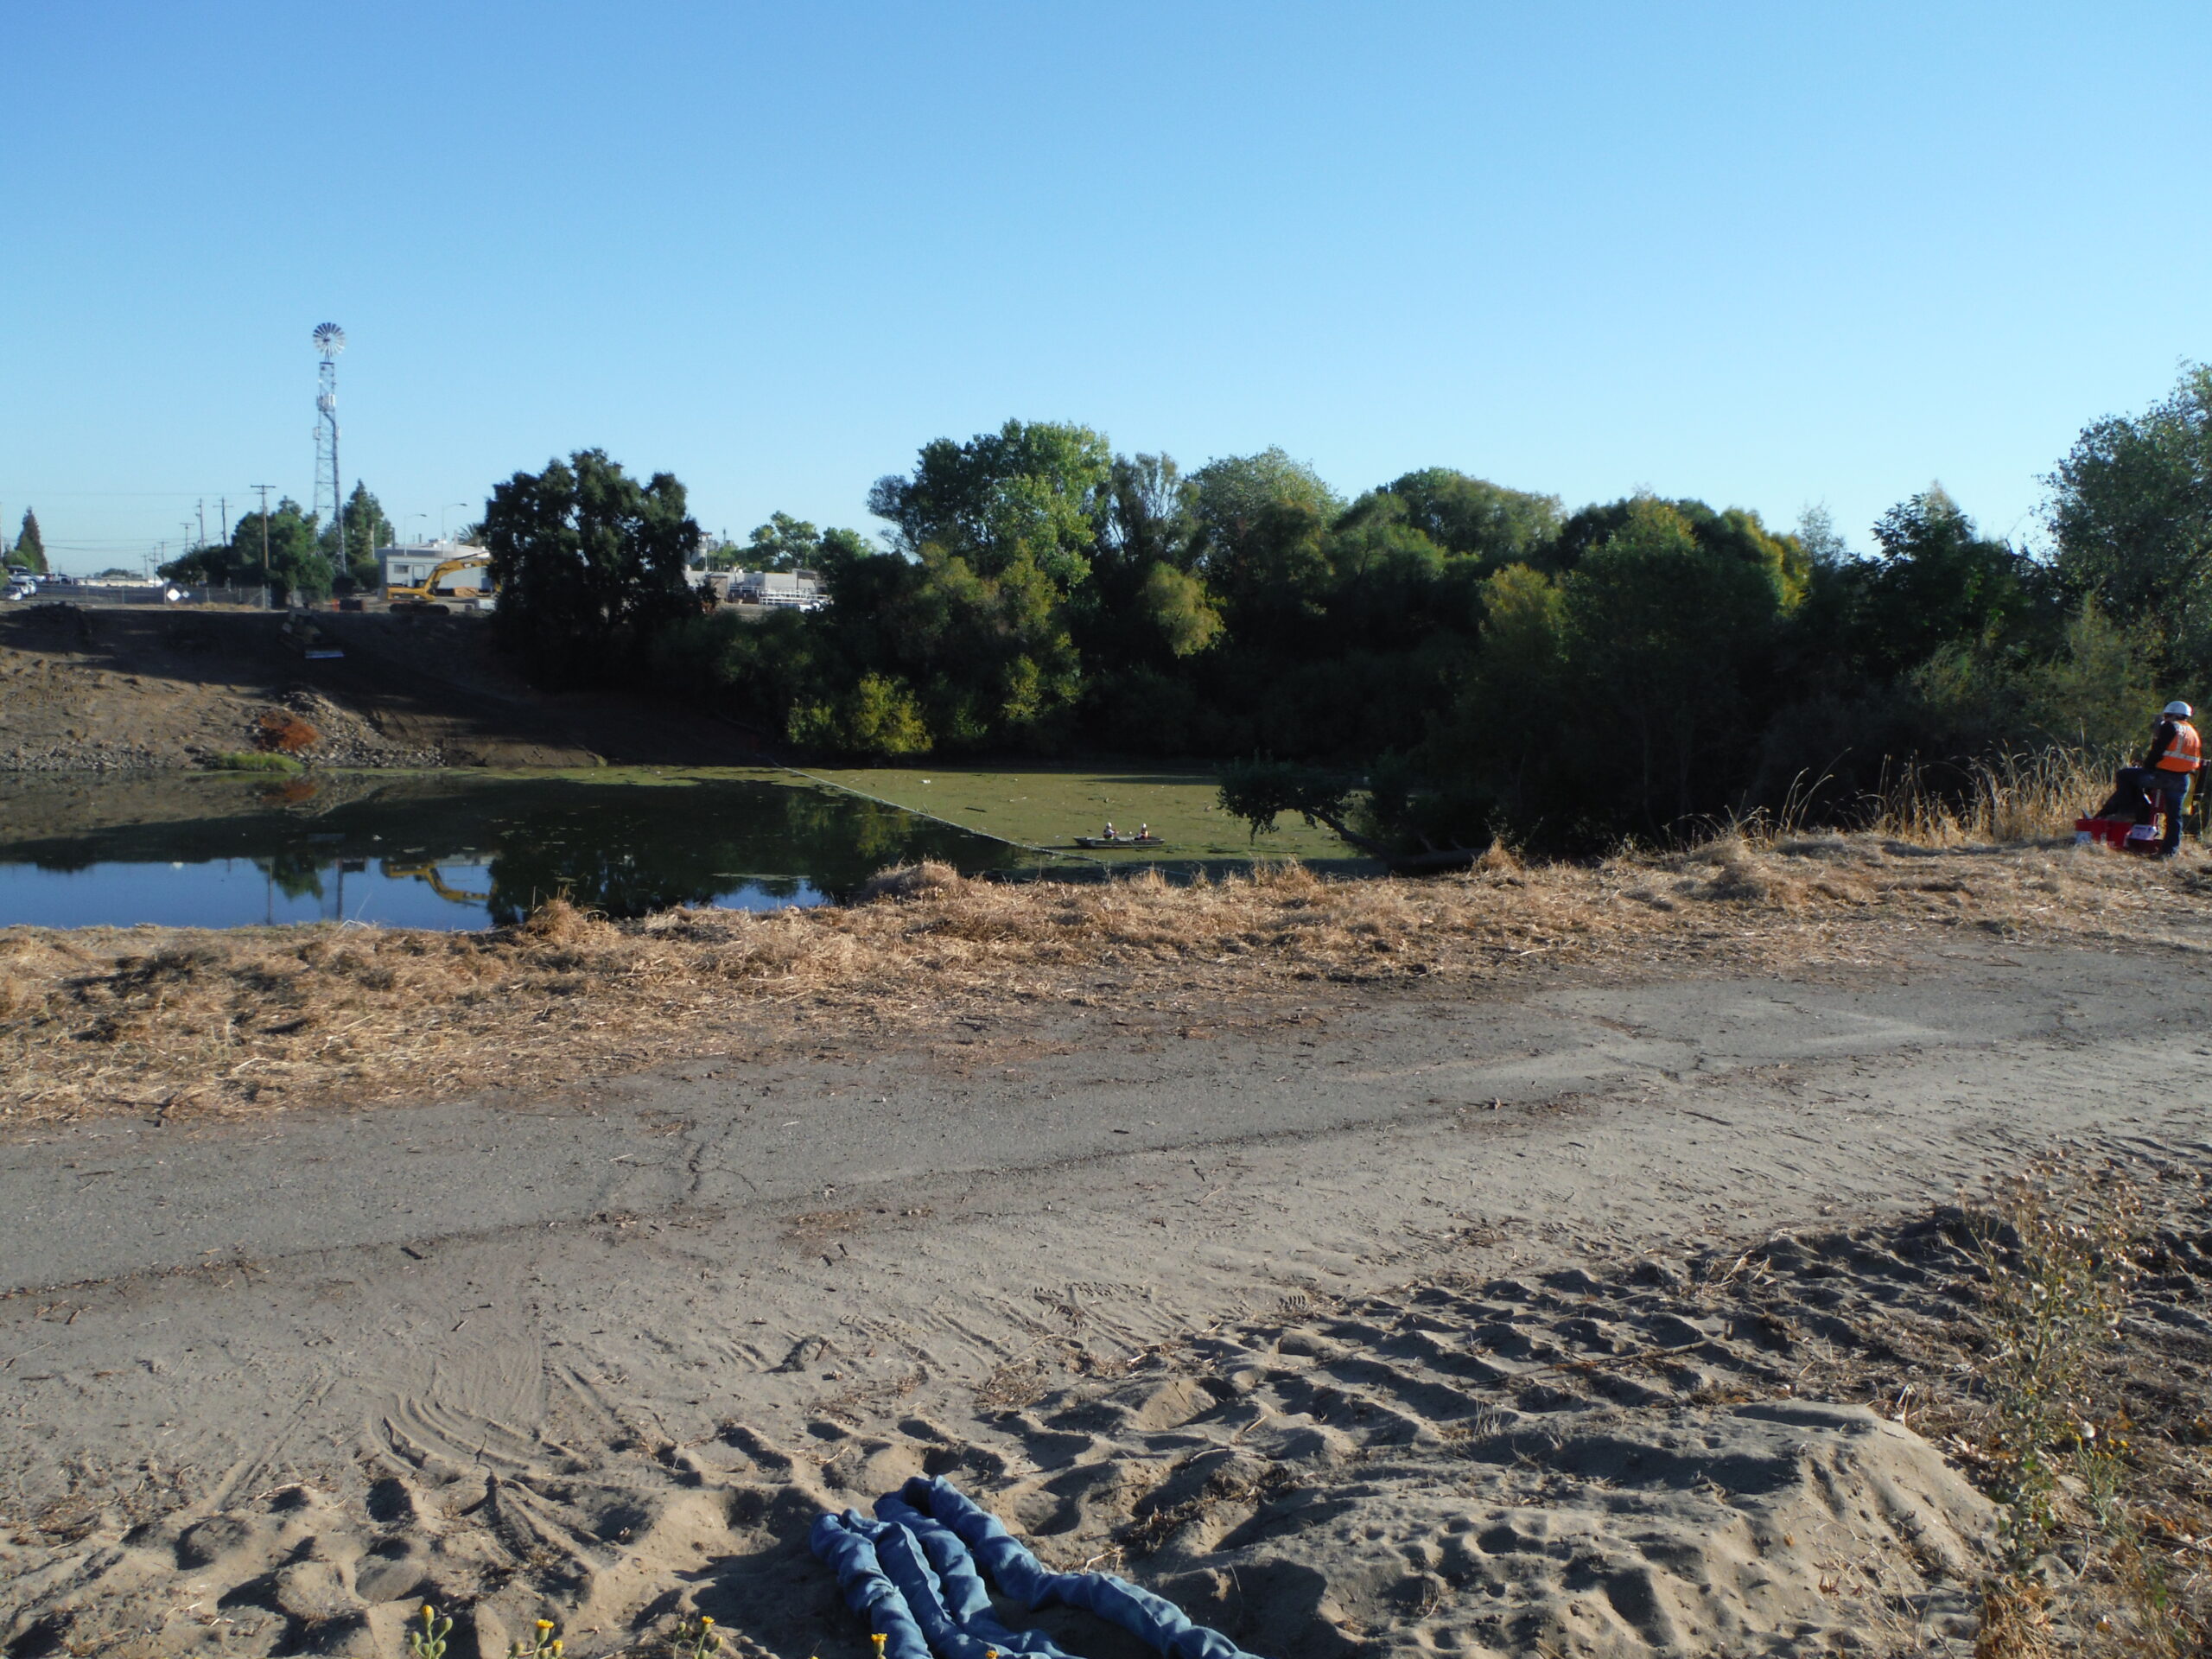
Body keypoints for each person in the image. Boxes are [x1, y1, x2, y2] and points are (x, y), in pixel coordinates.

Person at [2141, 699, 2201, 856]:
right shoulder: (2193, 732)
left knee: (2125, 776)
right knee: (2174, 816)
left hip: (2163, 775)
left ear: (2172, 715)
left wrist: (2146, 767)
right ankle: (2169, 852)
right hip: (2183, 779)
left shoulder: (2170, 726)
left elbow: (2157, 751)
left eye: (2167, 715)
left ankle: (2127, 813)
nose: (2166, 718)